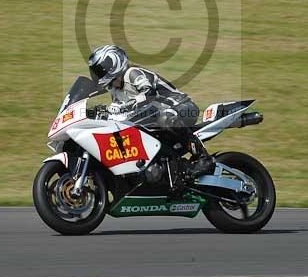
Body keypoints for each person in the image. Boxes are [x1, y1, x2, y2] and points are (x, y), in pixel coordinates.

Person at [87, 44, 215, 177]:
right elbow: (118, 112)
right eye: (94, 71)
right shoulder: (115, 90)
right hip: (158, 114)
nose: (96, 75)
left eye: (99, 70)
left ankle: (204, 158)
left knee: (166, 119)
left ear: (113, 64)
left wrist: (125, 107)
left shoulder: (132, 73)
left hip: (182, 106)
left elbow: (148, 92)